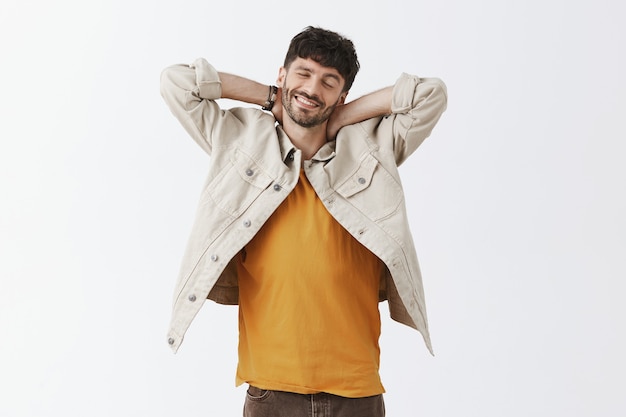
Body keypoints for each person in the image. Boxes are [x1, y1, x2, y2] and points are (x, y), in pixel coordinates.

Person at [160, 26, 447, 417]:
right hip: (271, 391)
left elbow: (431, 94)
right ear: (282, 75)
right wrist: (270, 98)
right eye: (303, 73)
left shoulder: (372, 149)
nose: (313, 89)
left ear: (342, 96)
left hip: (357, 392)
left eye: (329, 83)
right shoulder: (239, 141)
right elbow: (176, 82)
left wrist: (341, 117)